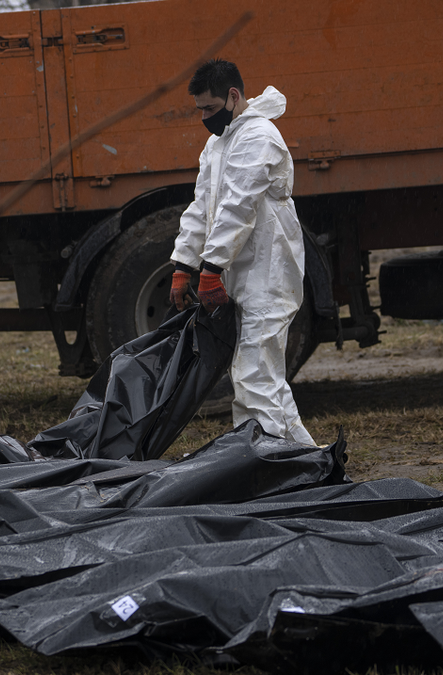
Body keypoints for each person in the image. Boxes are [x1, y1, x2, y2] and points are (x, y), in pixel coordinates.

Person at [169, 59, 316, 446]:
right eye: (200, 109)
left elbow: (238, 206)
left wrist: (211, 269)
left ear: (234, 97)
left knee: (254, 373)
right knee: (262, 372)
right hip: (245, 269)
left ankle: (263, 463)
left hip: (269, 270)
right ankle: (303, 457)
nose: (204, 117)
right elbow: (203, 206)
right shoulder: (219, 143)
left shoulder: (258, 137)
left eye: (211, 108)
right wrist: (184, 264)